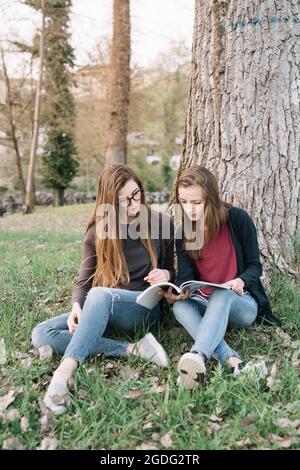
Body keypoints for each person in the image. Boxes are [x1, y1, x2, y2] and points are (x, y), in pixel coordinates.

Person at [32, 164, 175, 414]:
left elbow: (175, 272)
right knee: (43, 333)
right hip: (104, 309)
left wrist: (166, 274)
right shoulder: (97, 232)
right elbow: (84, 281)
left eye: (136, 194)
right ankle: (133, 349)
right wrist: (77, 306)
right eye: (124, 200)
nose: (133, 203)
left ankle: (64, 371)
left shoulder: (161, 223)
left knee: (99, 295)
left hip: (142, 311)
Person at [163, 165, 280, 390]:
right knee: (179, 308)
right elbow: (186, 277)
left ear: (212, 198)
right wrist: (178, 291)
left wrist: (240, 281)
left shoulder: (237, 219)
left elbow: (255, 266)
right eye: (184, 202)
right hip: (204, 303)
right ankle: (235, 363)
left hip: (241, 302)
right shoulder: (183, 233)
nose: (190, 210)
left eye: (197, 203)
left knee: (222, 292)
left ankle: (198, 354)